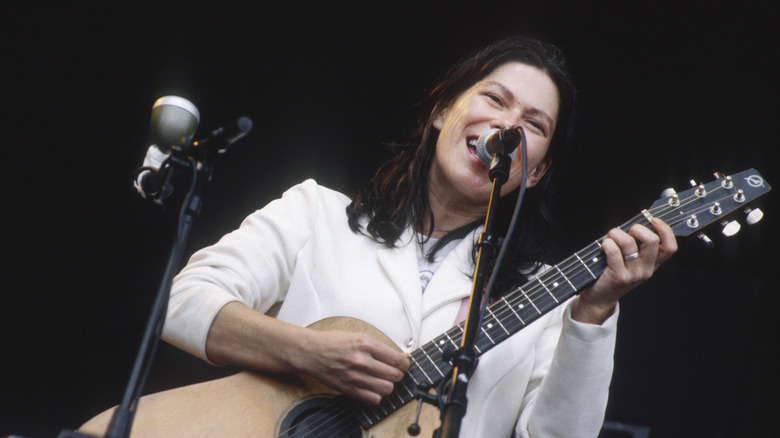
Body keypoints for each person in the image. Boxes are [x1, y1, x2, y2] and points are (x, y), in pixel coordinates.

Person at [160, 36, 677, 437]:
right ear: (441, 111)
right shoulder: (316, 213)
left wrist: (593, 314)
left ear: (537, 171)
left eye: (534, 125)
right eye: (494, 98)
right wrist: (307, 352)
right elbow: (181, 304)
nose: (508, 126)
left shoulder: (547, 296)